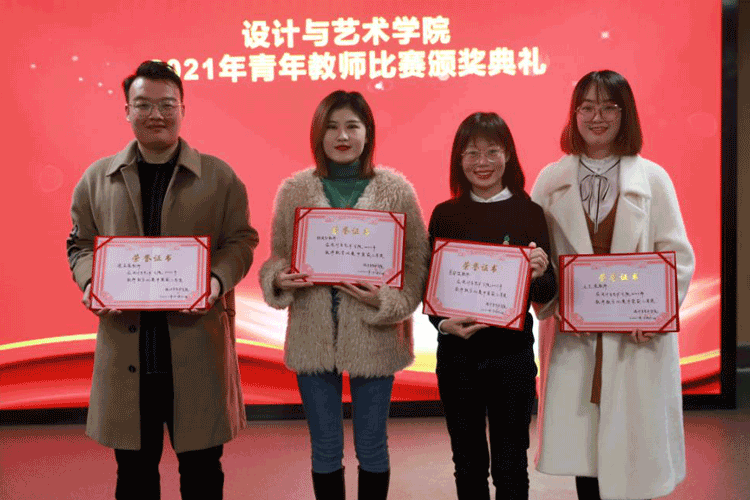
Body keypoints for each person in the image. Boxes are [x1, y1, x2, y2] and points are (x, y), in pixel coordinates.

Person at [66, 60, 259, 500]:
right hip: (128, 351)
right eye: (143, 105)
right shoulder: (97, 178)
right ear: (127, 111)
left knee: (203, 471)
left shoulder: (218, 177)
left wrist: (215, 281)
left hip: (197, 347)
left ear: (183, 109)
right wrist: (91, 282)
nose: (156, 114)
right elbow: (80, 244)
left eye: (167, 104)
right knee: (134, 473)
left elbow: (241, 241)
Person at [531, 70, 695, 500]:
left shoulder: (653, 179)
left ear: (626, 114)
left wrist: (657, 315)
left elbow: (677, 256)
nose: (596, 117)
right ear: (574, 115)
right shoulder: (550, 179)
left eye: (608, 107)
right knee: (585, 452)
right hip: (576, 337)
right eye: (586, 107)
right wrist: (553, 301)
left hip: (636, 339)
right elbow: (538, 259)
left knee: (635, 454)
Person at [259, 90, 430, 500]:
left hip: (375, 334)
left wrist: (386, 301)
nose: (342, 136)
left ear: (367, 133)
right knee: (324, 447)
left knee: (372, 445)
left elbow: (415, 264)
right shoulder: (294, 190)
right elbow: (277, 256)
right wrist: (280, 278)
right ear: (318, 134)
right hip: (312, 335)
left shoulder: (396, 191)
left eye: (352, 126)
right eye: (332, 127)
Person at [426, 112, 556, 500]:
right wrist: (442, 324)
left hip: (511, 357)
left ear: (508, 155)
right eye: (472, 153)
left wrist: (541, 271)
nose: (482, 162)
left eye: (492, 151)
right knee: (467, 464)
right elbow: (432, 288)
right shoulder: (445, 215)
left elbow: (545, 292)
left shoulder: (529, 212)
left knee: (511, 464)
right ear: (459, 159)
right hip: (457, 357)